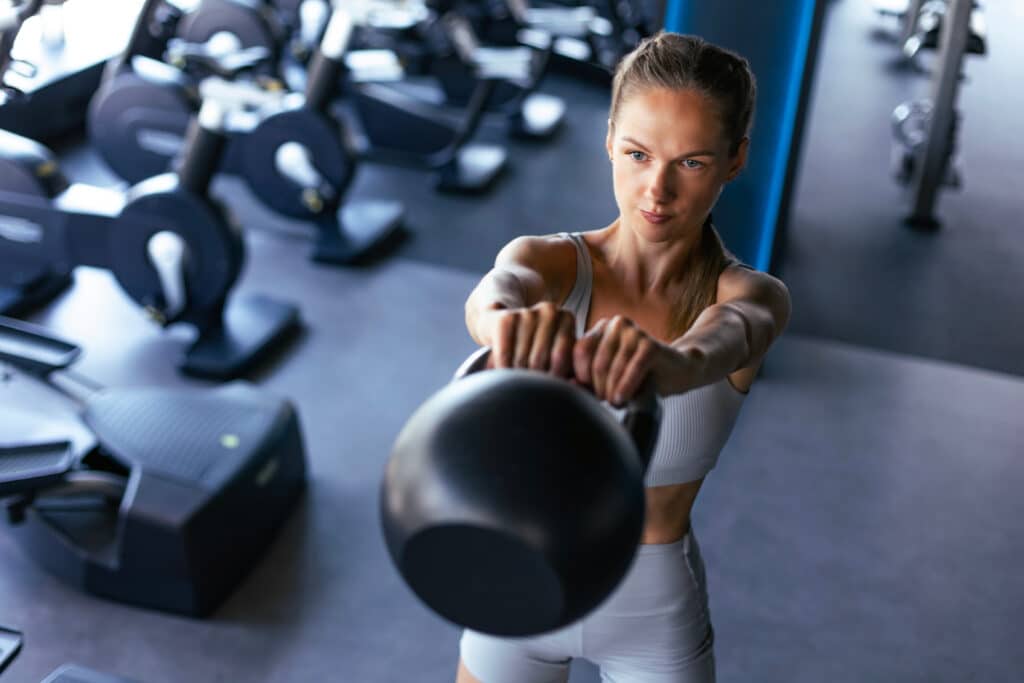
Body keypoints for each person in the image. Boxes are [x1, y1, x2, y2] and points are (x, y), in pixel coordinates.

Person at [456, 31, 791, 683]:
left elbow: (725, 337)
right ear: (609, 138)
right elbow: (495, 292)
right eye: (637, 154)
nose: (656, 189)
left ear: (734, 159)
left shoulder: (753, 296)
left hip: (651, 610)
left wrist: (666, 366)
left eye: (690, 162)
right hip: (518, 582)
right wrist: (503, 326)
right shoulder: (546, 261)